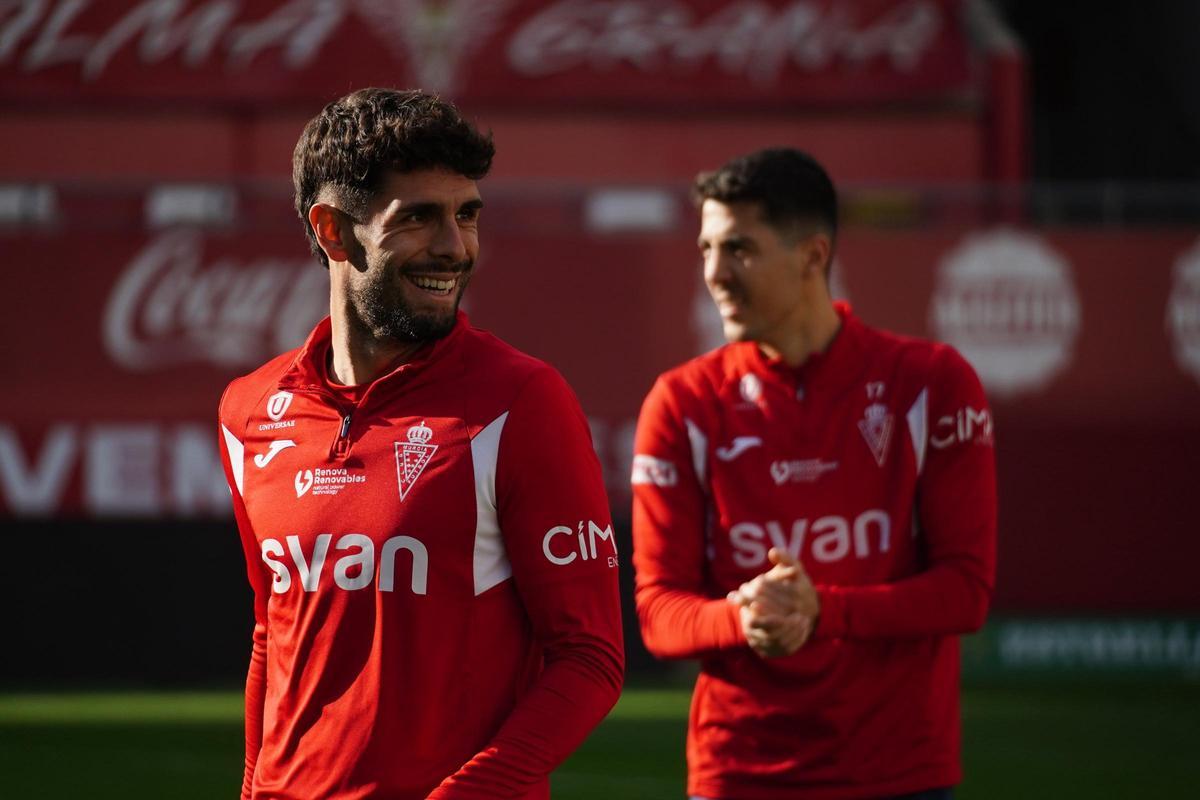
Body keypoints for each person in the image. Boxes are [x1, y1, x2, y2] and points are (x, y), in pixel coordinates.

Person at [215, 88, 623, 800]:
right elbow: (271, 636)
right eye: (420, 219)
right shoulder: (249, 410)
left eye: (467, 215)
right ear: (334, 232)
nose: (456, 247)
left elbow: (590, 657)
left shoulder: (521, 401)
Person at [631, 148, 997, 800]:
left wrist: (822, 611)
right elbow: (659, 613)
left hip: (899, 773)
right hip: (739, 774)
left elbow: (965, 592)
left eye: (739, 249)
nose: (714, 273)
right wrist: (744, 619)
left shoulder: (932, 384)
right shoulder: (681, 402)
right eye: (706, 248)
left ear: (813, 256)